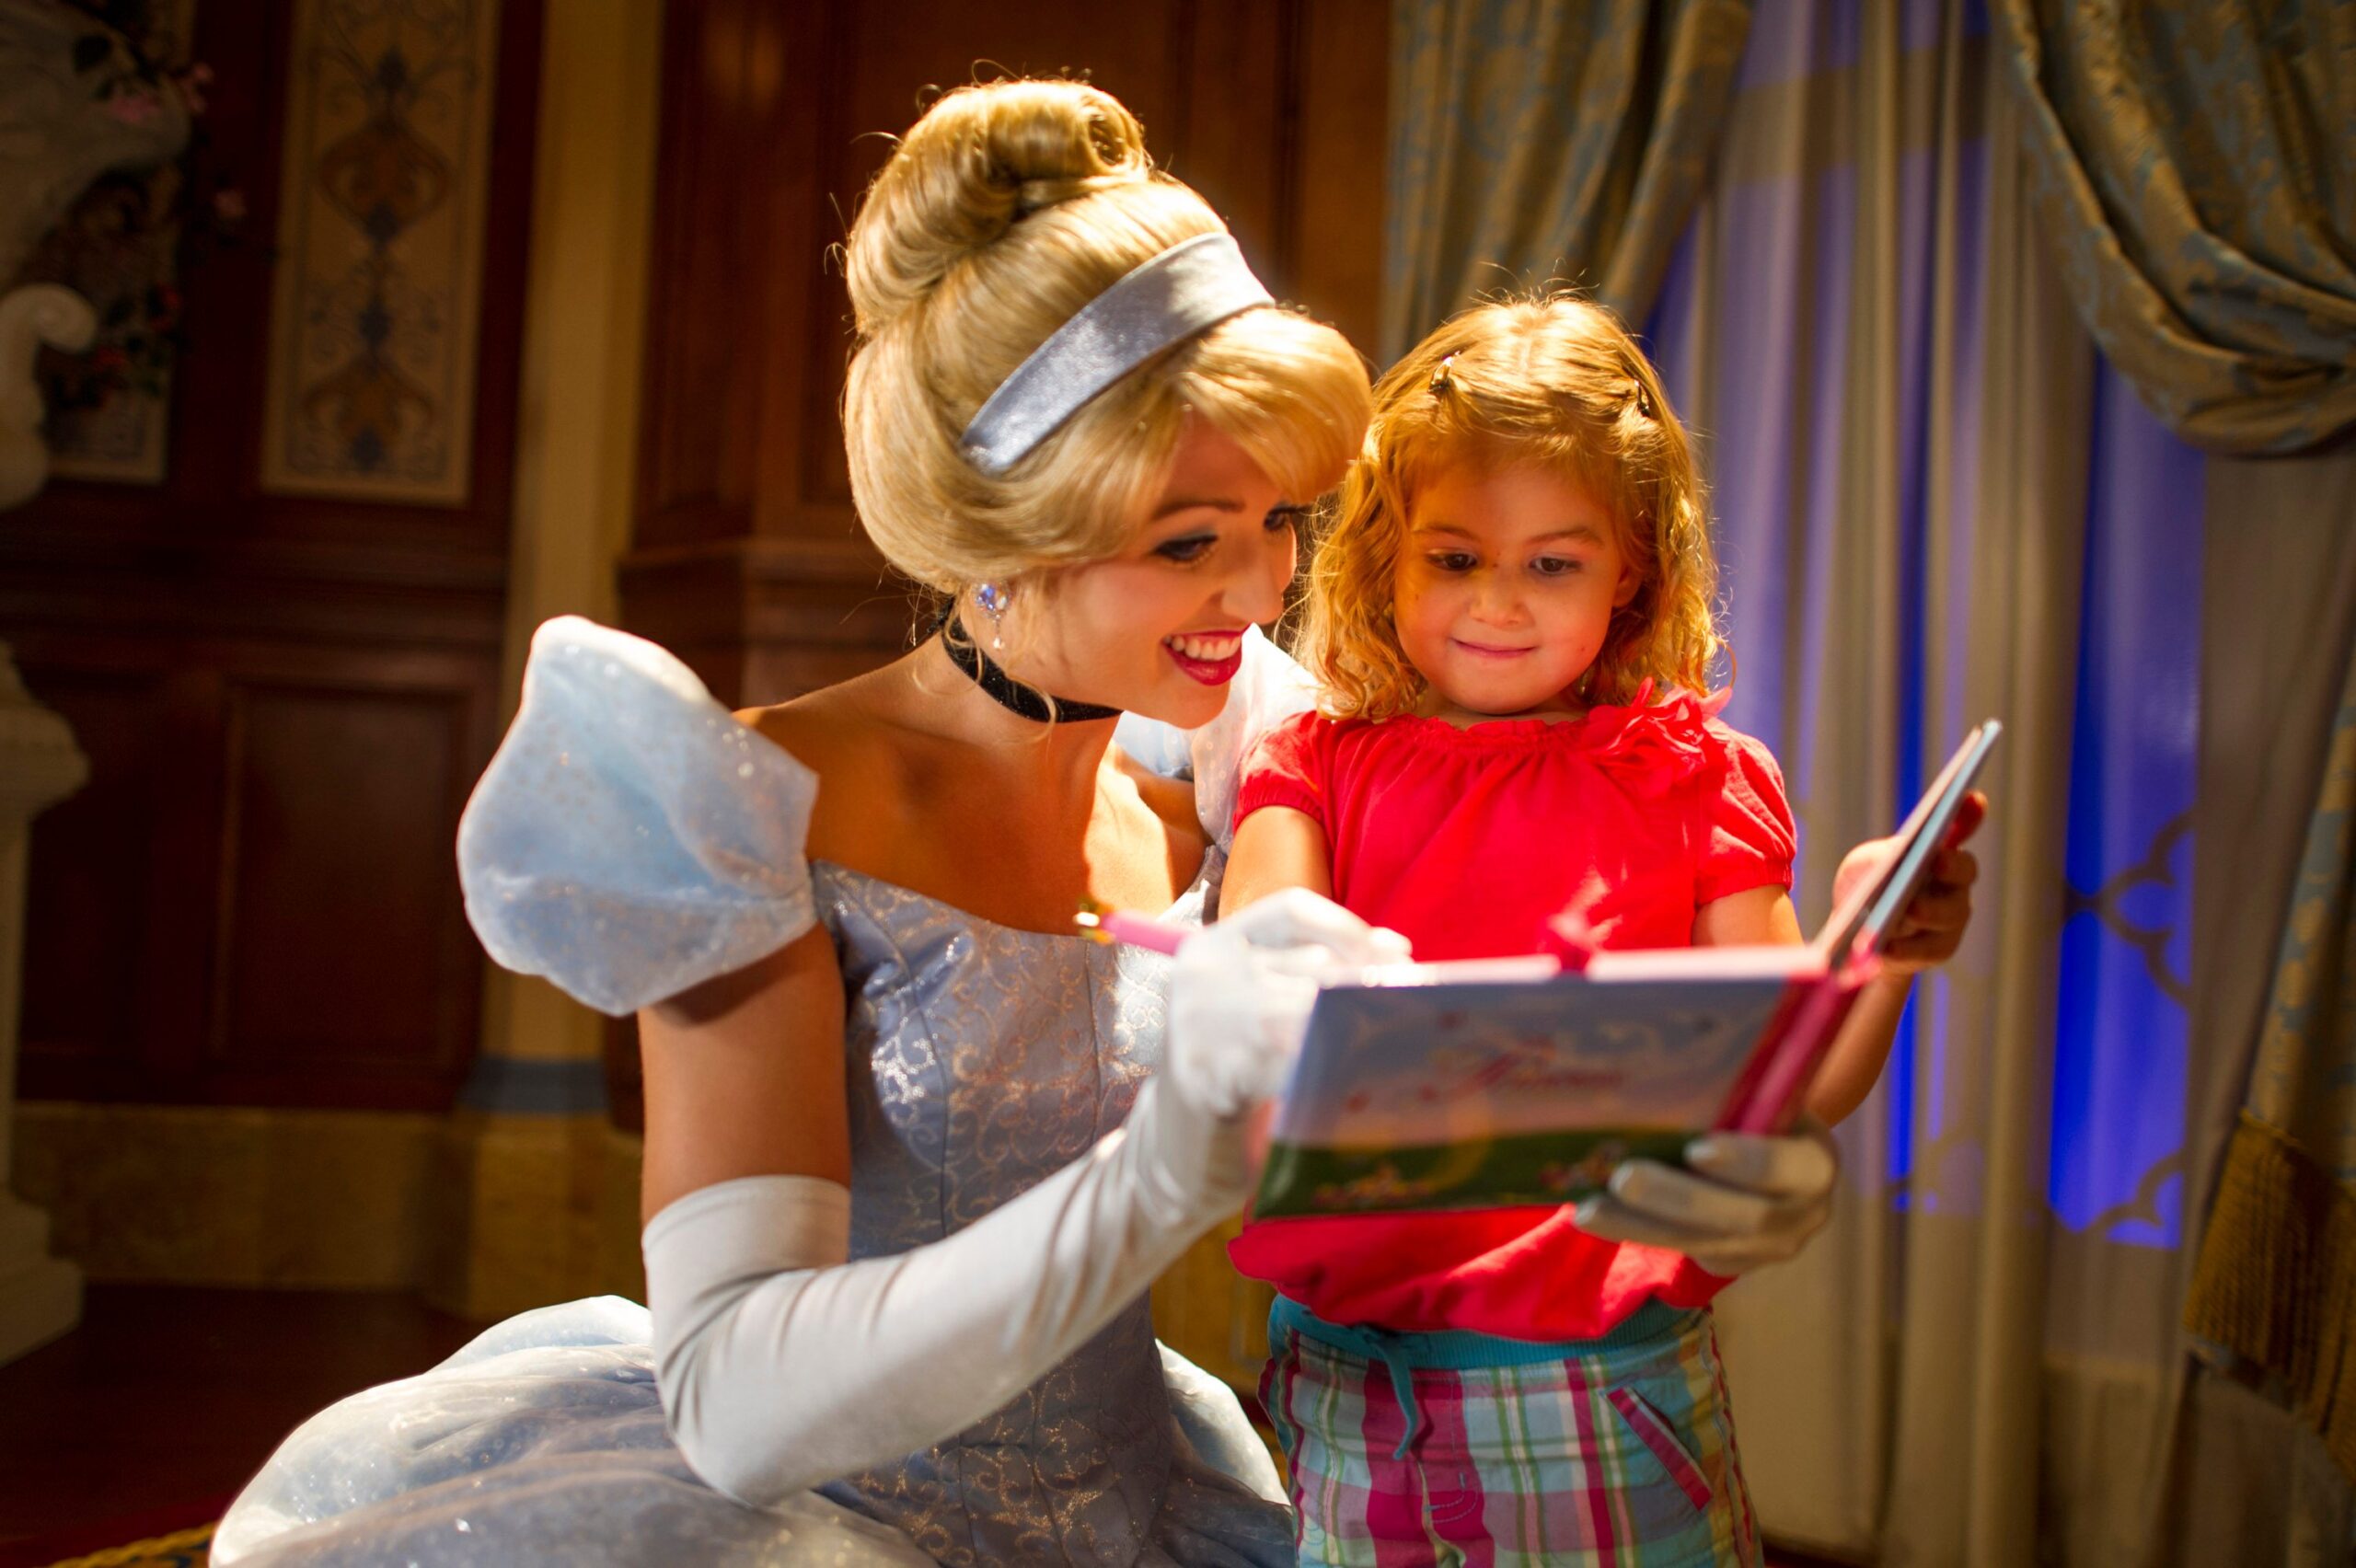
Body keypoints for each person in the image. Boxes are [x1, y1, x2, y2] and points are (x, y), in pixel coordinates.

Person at [212, 86, 1848, 1568]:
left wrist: (1740, 1171)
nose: (1260, 590)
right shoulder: (752, 811)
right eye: (1188, 540)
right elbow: (732, 1408)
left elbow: (1498, 1034)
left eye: (1279, 522)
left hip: (1149, 1507)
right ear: (1005, 535)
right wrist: (1160, 1174)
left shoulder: (1237, 753)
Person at [1216, 297, 1985, 1567]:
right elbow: (1248, 1016)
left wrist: (1872, 958)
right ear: (1385, 557)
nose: (1498, 603)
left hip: (1616, 1396)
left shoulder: (1699, 779)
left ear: (1631, 568)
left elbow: (1800, 1091)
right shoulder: (1310, 761)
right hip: (1349, 1391)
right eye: (1454, 558)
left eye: (1553, 565)